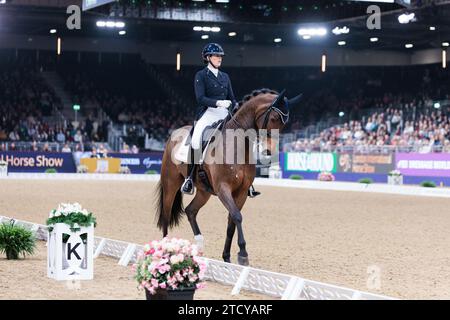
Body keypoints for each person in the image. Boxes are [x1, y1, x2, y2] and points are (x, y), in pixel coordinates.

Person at [180, 43, 260, 198]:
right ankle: (189, 179)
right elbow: (200, 98)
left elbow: (232, 97)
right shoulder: (201, 75)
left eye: (220, 56)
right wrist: (217, 102)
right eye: (216, 56)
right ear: (208, 58)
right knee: (196, 139)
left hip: (225, 113)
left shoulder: (225, 76)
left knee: (243, 138)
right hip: (208, 112)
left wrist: (237, 107)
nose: (219, 58)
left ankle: (248, 182)